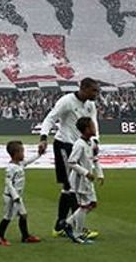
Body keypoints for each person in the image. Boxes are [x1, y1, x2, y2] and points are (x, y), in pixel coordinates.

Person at [39, 77, 100, 239]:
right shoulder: (67, 101)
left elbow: (94, 123)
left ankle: (62, 225)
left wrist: (95, 142)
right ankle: (72, 227)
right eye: (94, 90)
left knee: (70, 188)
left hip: (81, 146)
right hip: (64, 145)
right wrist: (43, 137)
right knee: (71, 187)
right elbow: (50, 118)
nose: (97, 93)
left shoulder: (90, 105)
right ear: (84, 88)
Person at [0, 140, 45, 246]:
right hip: (11, 197)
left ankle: (25, 236)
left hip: (17, 197)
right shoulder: (10, 168)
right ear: (16, 154)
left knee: (23, 215)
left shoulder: (20, 164)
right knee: (8, 216)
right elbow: (8, 183)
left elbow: (29, 161)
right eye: (22, 151)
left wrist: (39, 154)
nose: (23, 154)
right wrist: (15, 196)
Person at [63, 116, 103, 245]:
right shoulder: (79, 145)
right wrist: (86, 173)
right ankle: (77, 234)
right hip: (79, 180)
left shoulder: (92, 143)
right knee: (85, 205)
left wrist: (100, 174)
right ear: (86, 129)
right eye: (92, 126)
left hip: (87, 179)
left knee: (92, 204)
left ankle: (67, 223)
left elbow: (95, 158)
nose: (95, 128)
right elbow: (71, 162)